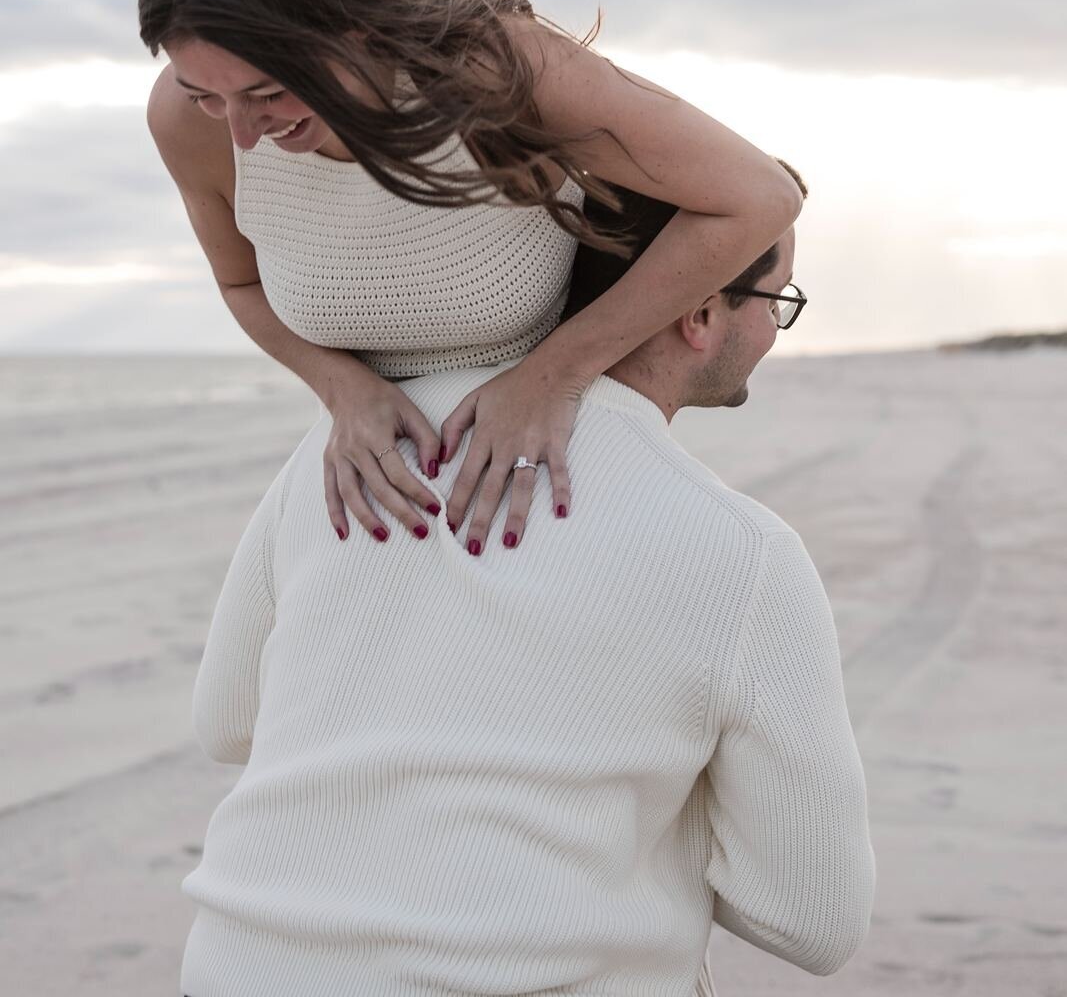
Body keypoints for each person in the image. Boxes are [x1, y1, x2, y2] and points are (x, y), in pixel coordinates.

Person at [179, 168, 875, 996]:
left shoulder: (346, 449)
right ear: (698, 311)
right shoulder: (741, 550)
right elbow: (812, 921)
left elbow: (225, 724)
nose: (775, 324)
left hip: (244, 967)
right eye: (776, 298)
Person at [140, 0, 802, 555]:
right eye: (206, 92)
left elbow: (758, 198)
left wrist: (552, 375)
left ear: (345, 18)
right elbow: (241, 282)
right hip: (368, 490)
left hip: (547, 459)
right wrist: (341, 388)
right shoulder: (190, 124)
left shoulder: (492, 64)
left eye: (268, 91)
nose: (243, 131)